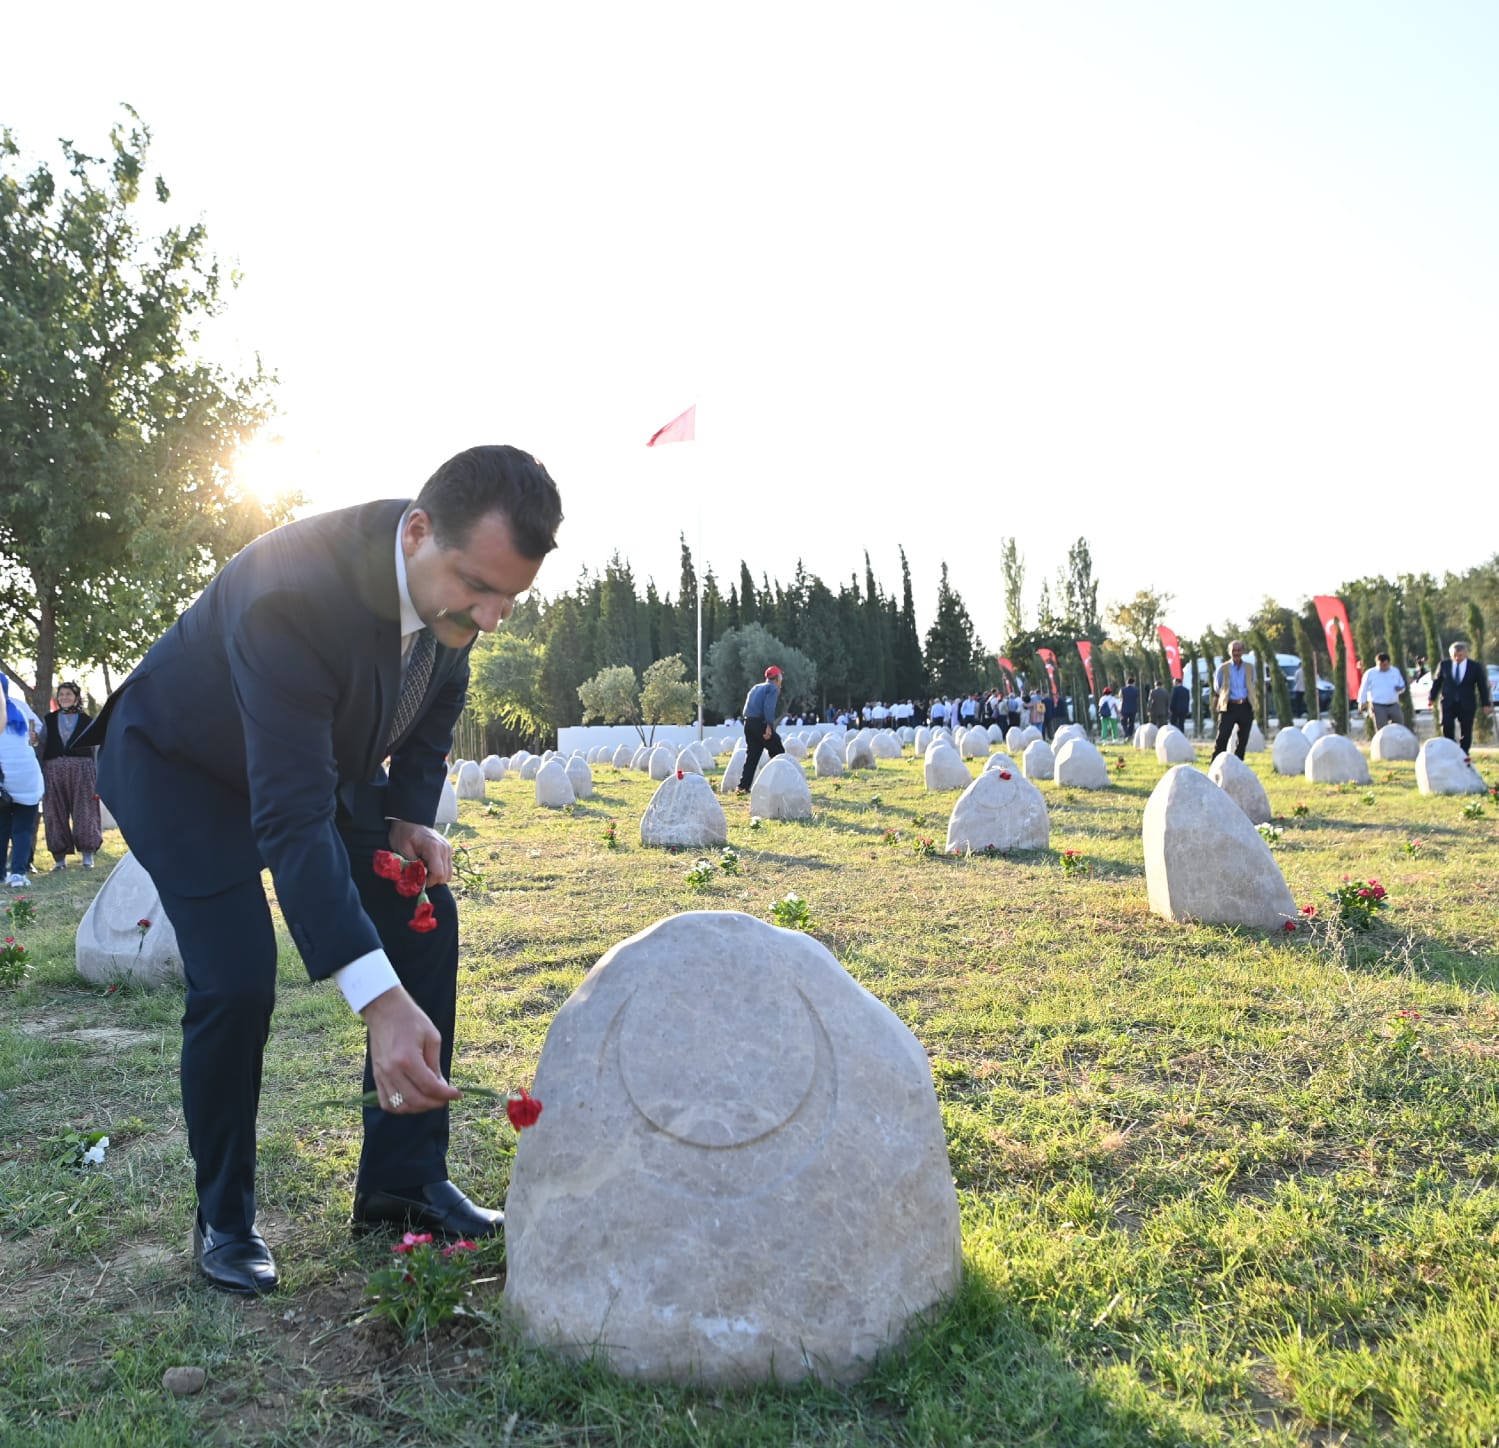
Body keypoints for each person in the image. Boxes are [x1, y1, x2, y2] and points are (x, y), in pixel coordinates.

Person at [84, 445, 563, 1296]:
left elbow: (436, 695)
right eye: (477, 589)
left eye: (508, 599)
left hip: (303, 761)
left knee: (422, 913)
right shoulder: (293, 596)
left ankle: (401, 1183)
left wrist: (409, 814)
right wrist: (375, 1002)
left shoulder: (449, 590)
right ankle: (224, 1216)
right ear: (417, 531)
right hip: (181, 766)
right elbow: (290, 820)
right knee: (237, 977)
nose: (490, 618)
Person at [41, 681, 103, 870]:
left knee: (85, 810)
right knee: (54, 812)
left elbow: (95, 749)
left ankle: (87, 855)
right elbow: (42, 745)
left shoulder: (87, 720)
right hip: (53, 770)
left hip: (82, 770)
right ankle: (59, 859)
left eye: (68, 694)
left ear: (76, 697)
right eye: (61, 695)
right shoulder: (49, 720)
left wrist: (97, 776)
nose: (64, 698)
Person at [1, 675, 44, 888]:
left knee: (2, 829)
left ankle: (2, 873)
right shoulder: (18, 706)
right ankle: (17, 872)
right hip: (27, 779)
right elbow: (37, 728)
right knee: (23, 829)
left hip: (4, 781)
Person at [1431, 640, 1493, 755]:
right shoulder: (1444, 665)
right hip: (1448, 702)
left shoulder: (1474, 667)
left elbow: (1482, 686)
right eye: (1455, 655)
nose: (1457, 658)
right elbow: (1437, 682)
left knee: (1466, 728)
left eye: (1460, 655)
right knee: (1446, 724)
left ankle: (1464, 752)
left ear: (1466, 654)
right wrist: (1431, 698)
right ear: (1451, 655)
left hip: (1466, 703)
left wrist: (1486, 704)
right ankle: (1450, 749)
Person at [738, 666, 785, 791]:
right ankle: (779, 783)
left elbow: (746, 709)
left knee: (752, 756)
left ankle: (743, 786)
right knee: (778, 749)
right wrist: (769, 726)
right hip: (760, 723)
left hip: (748, 723)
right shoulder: (772, 688)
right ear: (777, 678)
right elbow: (768, 708)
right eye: (781, 676)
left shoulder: (756, 687)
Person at [1211, 639, 1258, 760]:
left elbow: (1253, 683)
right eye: (1233, 650)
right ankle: (1215, 764)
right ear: (1229, 652)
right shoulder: (1223, 668)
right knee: (1222, 738)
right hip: (1228, 707)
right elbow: (1217, 687)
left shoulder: (1250, 668)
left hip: (1245, 706)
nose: (1236, 653)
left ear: (1243, 651)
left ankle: (1238, 765)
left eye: (1238, 650)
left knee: (1243, 739)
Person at [1357, 652, 1407, 731]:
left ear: (1389, 663)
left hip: (1393, 704)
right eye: (1381, 665)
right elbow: (1363, 688)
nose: (1384, 667)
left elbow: (1402, 685)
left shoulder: (1395, 671)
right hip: (1378, 705)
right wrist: (1362, 702)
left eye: (1386, 665)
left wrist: (1401, 689)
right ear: (1377, 663)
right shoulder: (1370, 673)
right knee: (1382, 729)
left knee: (1399, 726)